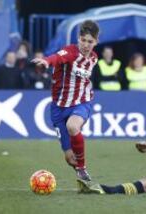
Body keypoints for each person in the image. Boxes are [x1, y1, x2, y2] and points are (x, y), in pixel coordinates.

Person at [31, 20, 100, 181]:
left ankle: (83, 170)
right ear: (78, 39)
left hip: (81, 102)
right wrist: (46, 61)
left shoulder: (94, 58)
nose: (86, 44)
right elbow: (57, 58)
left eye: (90, 41)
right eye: (83, 40)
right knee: (70, 158)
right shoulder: (70, 52)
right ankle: (81, 175)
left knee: (73, 126)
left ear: (96, 42)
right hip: (58, 108)